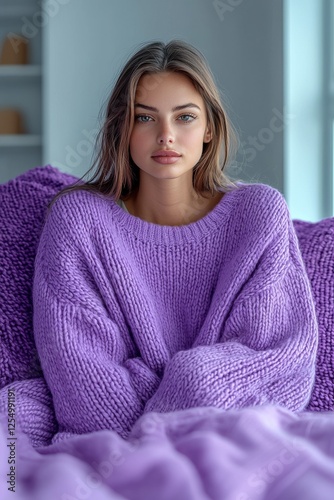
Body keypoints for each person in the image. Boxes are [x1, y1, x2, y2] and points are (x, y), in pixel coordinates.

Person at [33, 40, 318, 444]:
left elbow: (278, 358)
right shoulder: (77, 221)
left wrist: (185, 381)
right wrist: (158, 434)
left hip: (237, 442)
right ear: (123, 129)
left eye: (184, 117)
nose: (166, 136)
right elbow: (80, 377)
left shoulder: (259, 214)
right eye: (145, 118)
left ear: (209, 129)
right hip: (112, 449)